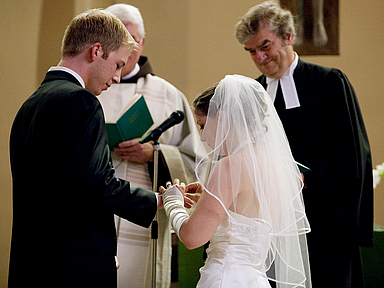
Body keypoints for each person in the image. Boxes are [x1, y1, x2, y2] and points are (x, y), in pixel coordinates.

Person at [8, 9, 162, 288]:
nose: (117, 77)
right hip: (72, 269)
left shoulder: (29, 105)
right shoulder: (82, 103)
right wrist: (156, 200)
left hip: (31, 264)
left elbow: (60, 190)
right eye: (117, 64)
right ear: (96, 51)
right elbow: (97, 184)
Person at [235, 2, 373, 287]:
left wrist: (302, 179)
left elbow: (352, 160)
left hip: (324, 225)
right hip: (272, 227)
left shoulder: (329, 83)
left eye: (265, 46)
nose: (260, 58)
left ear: (288, 37)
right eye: (251, 51)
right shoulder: (254, 92)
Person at [160, 74, 312, 287]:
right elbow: (246, 212)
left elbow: (192, 238)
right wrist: (208, 198)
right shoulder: (278, 169)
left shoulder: (230, 165)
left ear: (221, 117)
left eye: (203, 126)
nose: (202, 138)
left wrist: (172, 201)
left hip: (226, 277)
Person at [97, 4, 206, 288]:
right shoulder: (88, 91)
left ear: (142, 42)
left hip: (146, 218)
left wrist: (154, 154)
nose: (125, 46)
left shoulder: (169, 95)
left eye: (130, 38)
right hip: (97, 215)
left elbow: (197, 162)